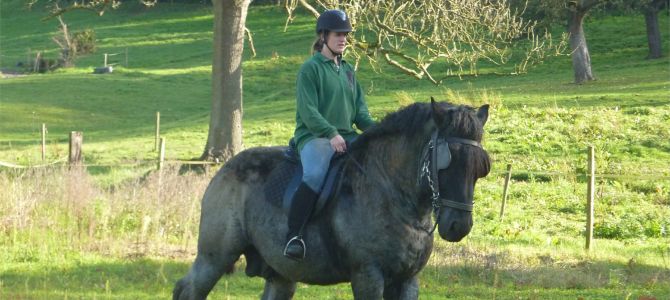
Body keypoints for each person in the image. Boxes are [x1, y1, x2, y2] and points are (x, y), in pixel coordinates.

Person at [283, 9, 376, 260]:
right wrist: (331, 134)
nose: (343, 38)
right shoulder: (310, 69)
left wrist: (380, 132)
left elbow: (361, 114)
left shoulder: (347, 71)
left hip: (347, 135)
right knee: (314, 174)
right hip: (314, 137)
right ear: (323, 36)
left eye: (346, 34)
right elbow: (308, 111)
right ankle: (294, 235)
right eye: (338, 34)